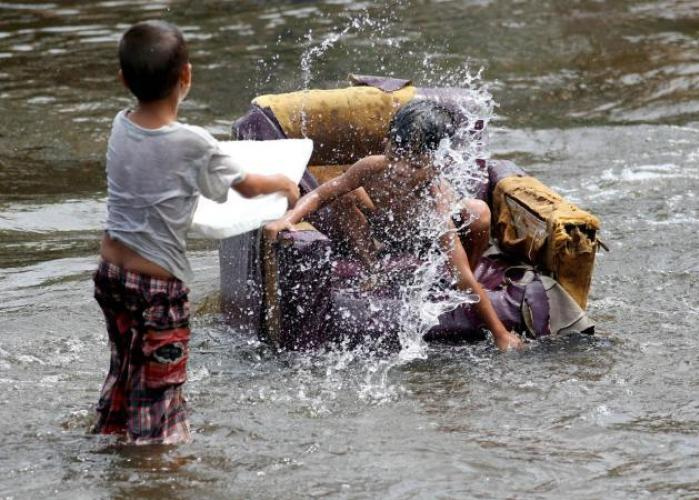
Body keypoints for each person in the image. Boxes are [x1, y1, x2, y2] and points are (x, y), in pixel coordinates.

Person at [93, 20, 300, 444]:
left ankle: (109, 433)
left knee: (126, 369)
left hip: (110, 274)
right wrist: (284, 181)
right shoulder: (194, 142)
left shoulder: (118, 124)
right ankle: (160, 472)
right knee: (161, 394)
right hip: (156, 287)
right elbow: (244, 187)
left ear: (122, 80)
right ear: (186, 76)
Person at [264, 100, 522, 351]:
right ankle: (371, 268)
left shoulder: (435, 202)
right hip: (382, 229)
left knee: (479, 213)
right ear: (386, 143)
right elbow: (322, 194)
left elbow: (464, 275)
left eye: (415, 164)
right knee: (344, 191)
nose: (400, 169)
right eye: (396, 154)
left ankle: (460, 274)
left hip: (427, 239)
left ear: (437, 165)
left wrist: (500, 333)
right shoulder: (373, 167)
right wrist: (289, 218)